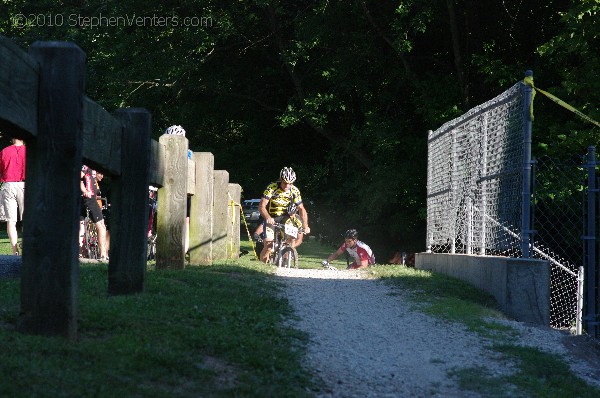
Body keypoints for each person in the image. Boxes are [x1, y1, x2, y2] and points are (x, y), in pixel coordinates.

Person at [258, 167, 310, 263]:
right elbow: (261, 206)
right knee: (268, 246)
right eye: (285, 183)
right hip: (271, 217)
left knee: (290, 240)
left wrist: (306, 225)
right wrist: (268, 217)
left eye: (290, 183)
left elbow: (301, 209)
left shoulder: (294, 191)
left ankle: (286, 259)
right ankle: (261, 268)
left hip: (286, 218)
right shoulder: (272, 188)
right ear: (280, 180)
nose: (287, 185)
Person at [162, 125, 192, 253]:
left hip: (183, 190)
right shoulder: (162, 152)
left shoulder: (188, 153)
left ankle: (183, 249)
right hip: (167, 189)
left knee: (185, 219)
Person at [0, 137, 26, 255]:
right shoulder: (28, 151)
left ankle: (15, 251)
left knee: (11, 221)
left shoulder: (4, 151)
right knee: (27, 219)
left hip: (8, 185)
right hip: (24, 185)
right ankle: (27, 248)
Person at [79, 165, 108, 260]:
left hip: (91, 199)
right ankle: (103, 255)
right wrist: (84, 190)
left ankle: (103, 254)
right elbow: (79, 177)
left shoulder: (93, 171)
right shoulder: (87, 167)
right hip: (90, 199)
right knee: (101, 227)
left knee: (100, 225)